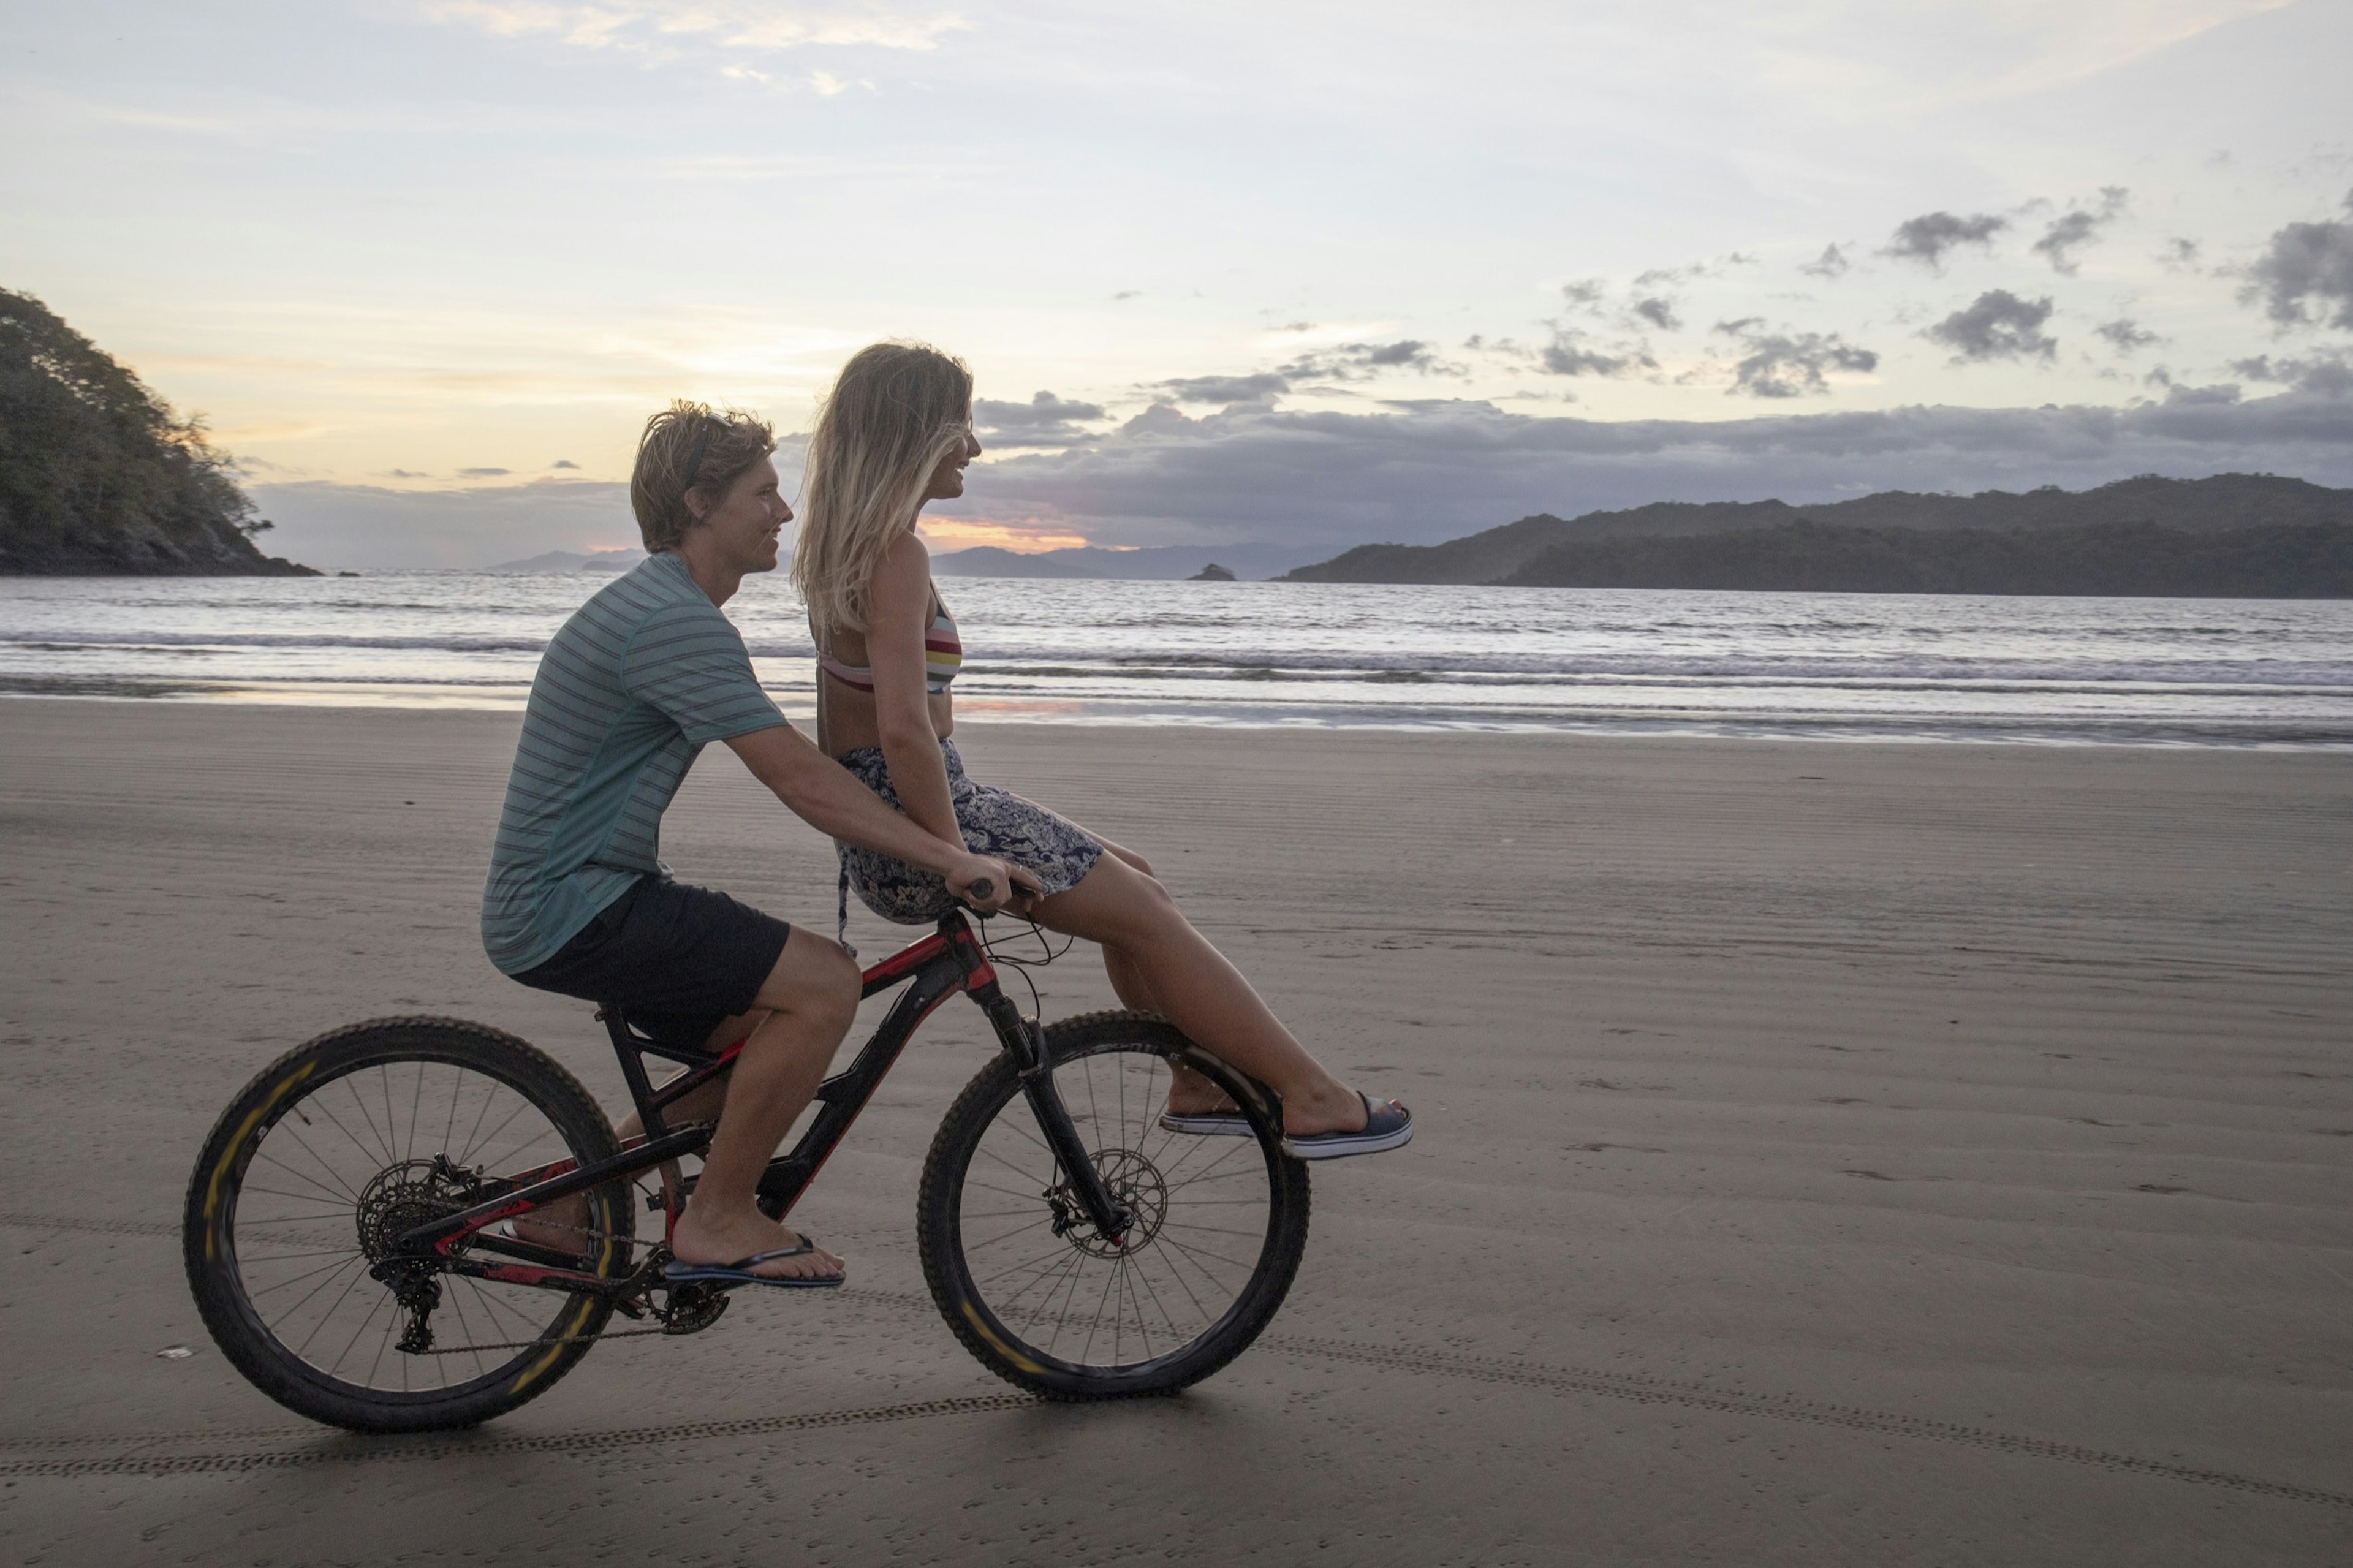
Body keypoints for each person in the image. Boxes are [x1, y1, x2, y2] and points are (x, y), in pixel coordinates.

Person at [790, 342, 1411, 1158]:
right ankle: (1310, 1093)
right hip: (920, 815)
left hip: (888, 819)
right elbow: (905, 727)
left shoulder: (841, 550)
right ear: (915, 434)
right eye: (962, 428)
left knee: (1140, 884)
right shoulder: (896, 553)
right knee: (1147, 913)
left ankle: (1198, 1079)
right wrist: (951, 855)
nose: (974, 447)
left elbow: (863, 730)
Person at [481, 401, 1039, 1287]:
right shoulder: (675, 623)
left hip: (581, 895)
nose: (783, 513)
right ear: (702, 503)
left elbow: (810, 768)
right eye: (763, 493)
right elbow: (801, 779)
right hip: (574, 903)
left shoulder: (664, 610)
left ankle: (563, 1202)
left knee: (756, 1042)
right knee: (824, 982)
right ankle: (720, 1217)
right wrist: (950, 856)